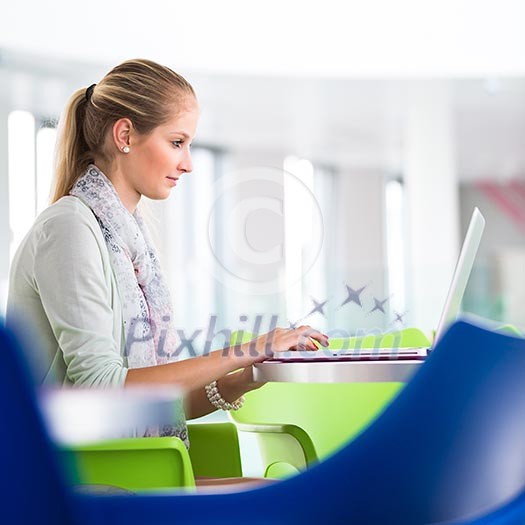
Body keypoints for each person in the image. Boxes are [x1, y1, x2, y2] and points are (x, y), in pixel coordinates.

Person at [6, 59, 329, 483]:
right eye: (177, 142)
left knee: (287, 492)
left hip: (122, 460)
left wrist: (238, 379)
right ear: (125, 135)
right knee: (286, 498)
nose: (189, 163)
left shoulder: (129, 241)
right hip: (70, 478)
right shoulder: (70, 228)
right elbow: (103, 388)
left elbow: (146, 403)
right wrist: (247, 348)